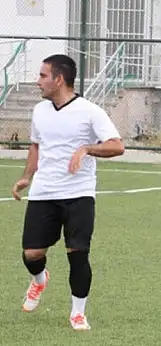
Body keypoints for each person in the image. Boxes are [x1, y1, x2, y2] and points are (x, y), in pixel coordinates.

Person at [11, 54, 125, 331]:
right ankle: (40, 280)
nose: (38, 81)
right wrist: (27, 176)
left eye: (42, 75)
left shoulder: (90, 111)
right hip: (44, 192)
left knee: (78, 252)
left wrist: (87, 148)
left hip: (78, 193)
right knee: (32, 253)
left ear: (59, 79)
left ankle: (77, 313)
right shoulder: (40, 110)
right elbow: (36, 145)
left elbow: (117, 145)